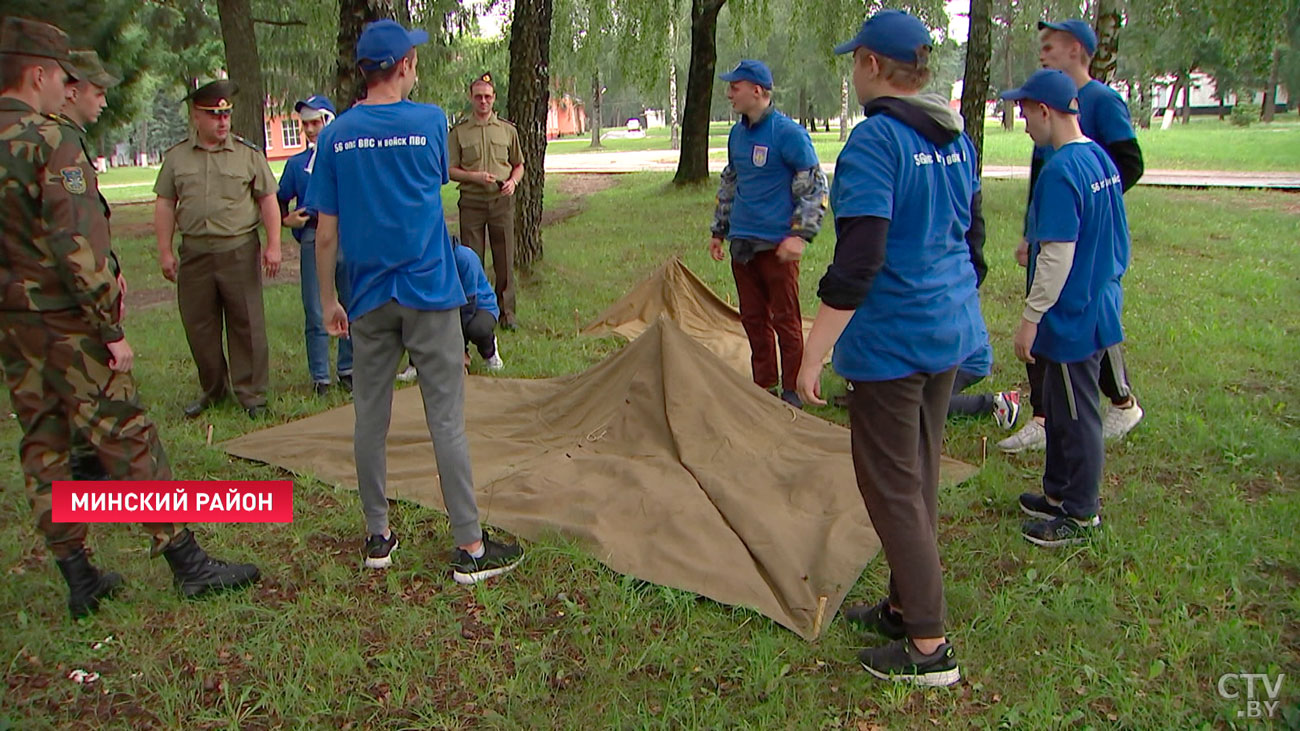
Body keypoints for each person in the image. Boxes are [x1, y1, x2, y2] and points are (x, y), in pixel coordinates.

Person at [0, 17, 259, 620]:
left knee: (43, 439)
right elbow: (76, 245)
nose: (67, 87)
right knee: (128, 434)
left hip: (14, 323)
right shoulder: (48, 140)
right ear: (37, 73)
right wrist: (109, 330)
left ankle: (77, 573)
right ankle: (186, 560)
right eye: (62, 76)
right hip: (68, 323)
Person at [796, 10, 987, 686]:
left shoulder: (876, 142)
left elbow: (859, 260)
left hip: (894, 343)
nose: (853, 71)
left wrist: (813, 352)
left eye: (856, 61)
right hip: (947, 331)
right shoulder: (955, 138)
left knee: (891, 489)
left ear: (873, 66)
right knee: (920, 475)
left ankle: (929, 646)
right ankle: (906, 605)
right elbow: (975, 240)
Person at [306, 19, 523, 582]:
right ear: (402, 66)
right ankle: (470, 548)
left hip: (369, 297)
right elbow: (426, 186)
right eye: (415, 60)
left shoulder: (333, 137)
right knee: (445, 421)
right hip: (430, 292)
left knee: (369, 418)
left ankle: (377, 537)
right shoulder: (428, 122)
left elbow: (325, 233)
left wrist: (330, 300)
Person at [999, 18, 1144, 453]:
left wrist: (1091, 209)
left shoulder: (1097, 102)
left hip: (1078, 243)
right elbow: (1043, 176)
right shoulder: (1048, 105)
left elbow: (1127, 162)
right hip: (1052, 230)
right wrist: (1032, 230)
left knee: (1084, 325)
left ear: (1078, 51)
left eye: (1051, 47)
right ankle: (1044, 417)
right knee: (1047, 321)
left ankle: (1118, 402)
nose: (1043, 53)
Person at [1001, 69, 1129, 546]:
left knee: (1077, 415)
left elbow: (1058, 255)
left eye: (1025, 112)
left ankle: (1080, 513)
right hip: (1098, 301)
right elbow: (1107, 231)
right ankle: (1056, 493)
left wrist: (1030, 319)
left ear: (1046, 112)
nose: (1023, 122)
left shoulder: (1058, 171)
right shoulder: (1098, 157)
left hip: (1070, 313)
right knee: (1059, 405)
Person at [153, 79, 282, 420]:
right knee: (199, 325)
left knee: (247, 323)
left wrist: (273, 245)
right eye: (214, 115)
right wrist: (165, 251)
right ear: (196, 116)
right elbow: (166, 204)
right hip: (195, 253)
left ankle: (252, 394)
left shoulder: (247, 154)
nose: (223, 122)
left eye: (226, 115)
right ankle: (213, 389)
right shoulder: (177, 158)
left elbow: (268, 200)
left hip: (238, 248)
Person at [708, 59, 827, 410]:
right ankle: (763, 388)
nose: (729, 93)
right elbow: (730, 182)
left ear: (757, 91)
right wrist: (719, 230)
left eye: (735, 87)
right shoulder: (736, 134)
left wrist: (800, 234)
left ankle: (793, 392)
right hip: (742, 244)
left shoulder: (787, 134)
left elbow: (816, 186)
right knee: (753, 319)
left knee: (785, 319)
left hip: (776, 246)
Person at [55, 49, 123, 482]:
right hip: (70, 293)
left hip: (63, 289)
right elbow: (74, 233)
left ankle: (84, 463)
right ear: (72, 90)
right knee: (103, 386)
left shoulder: (69, 139)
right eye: (97, 93)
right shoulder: (60, 144)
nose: (102, 102)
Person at [277, 94, 353, 396]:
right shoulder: (297, 165)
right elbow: (279, 199)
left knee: (350, 301)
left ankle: (349, 368)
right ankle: (320, 376)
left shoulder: (346, 158)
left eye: (315, 123)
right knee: (315, 305)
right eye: (305, 124)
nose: (309, 130)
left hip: (346, 236)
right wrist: (287, 219)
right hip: (312, 235)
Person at [447, 72, 523, 329]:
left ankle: (507, 314)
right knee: (471, 260)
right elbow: (449, 169)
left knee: (504, 259)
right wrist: (474, 177)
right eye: (478, 96)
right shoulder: (459, 132)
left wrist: (513, 182)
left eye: (487, 97)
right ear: (471, 98)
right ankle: (476, 313)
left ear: (494, 99)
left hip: (501, 202)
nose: (483, 101)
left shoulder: (507, 130)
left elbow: (519, 165)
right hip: (472, 202)